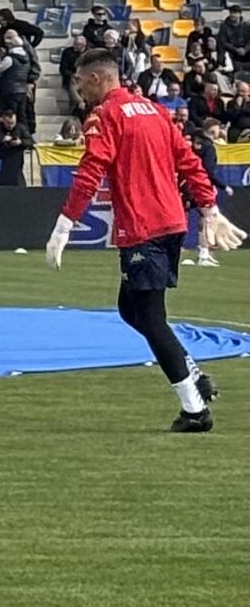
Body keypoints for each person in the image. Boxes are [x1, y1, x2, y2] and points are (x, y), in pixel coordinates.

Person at [46, 48, 238, 431]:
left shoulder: (106, 115)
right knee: (130, 308)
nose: (80, 90)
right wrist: (208, 207)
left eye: (81, 82)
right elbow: (188, 161)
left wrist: (65, 223)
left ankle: (194, 410)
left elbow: (91, 170)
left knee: (150, 318)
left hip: (142, 226)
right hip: (170, 222)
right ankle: (192, 374)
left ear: (96, 79)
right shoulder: (155, 110)